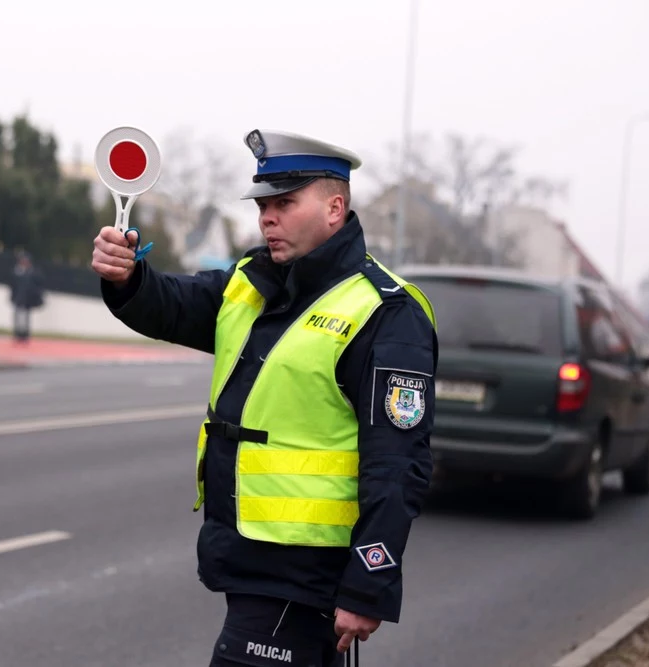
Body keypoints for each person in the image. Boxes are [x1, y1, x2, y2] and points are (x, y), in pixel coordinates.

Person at [91, 129, 439, 666]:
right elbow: (171, 305)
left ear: (334, 207)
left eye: (284, 203)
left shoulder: (386, 312)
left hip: (305, 574)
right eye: (263, 205)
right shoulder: (252, 284)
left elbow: (397, 464)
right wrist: (127, 277)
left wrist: (369, 582)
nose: (267, 218)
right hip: (252, 559)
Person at [9, 250, 44, 343]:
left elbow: (38, 284)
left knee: (26, 317)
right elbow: (13, 285)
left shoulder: (33, 272)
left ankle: (24, 335)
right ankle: (17, 333)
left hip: (27, 299)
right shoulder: (17, 271)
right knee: (17, 316)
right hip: (18, 298)